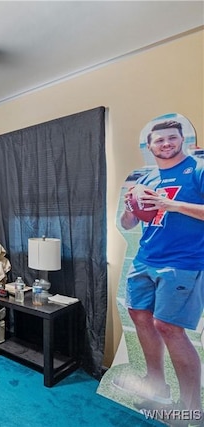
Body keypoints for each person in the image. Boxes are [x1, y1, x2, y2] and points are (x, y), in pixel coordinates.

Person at [116, 119, 204, 421]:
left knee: (169, 328)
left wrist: (173, 205)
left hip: (182, 263)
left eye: (171, 138)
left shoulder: (199, 170)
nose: (166, 144)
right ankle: (157, 385)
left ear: (183, 140)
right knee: (139, 316)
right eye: (159, 140)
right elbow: (129, 224)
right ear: (149, 146)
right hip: (145, 259)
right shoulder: (147, 180)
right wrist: (131, 209)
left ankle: (191, 407)